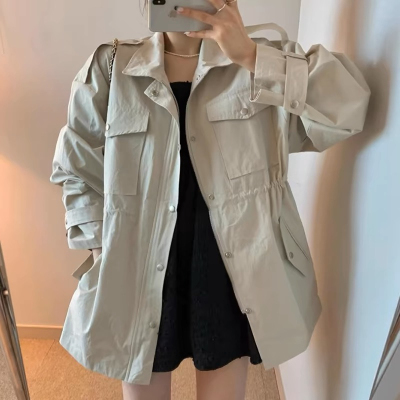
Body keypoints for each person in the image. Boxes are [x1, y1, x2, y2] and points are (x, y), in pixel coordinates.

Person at [49, 0, 371, 399]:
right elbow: (75, 166)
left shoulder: (260, 61)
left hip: (229, 265)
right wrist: (103, 250)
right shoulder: (111, 68)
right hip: (136, 262)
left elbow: (349, 107)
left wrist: (252, 56)